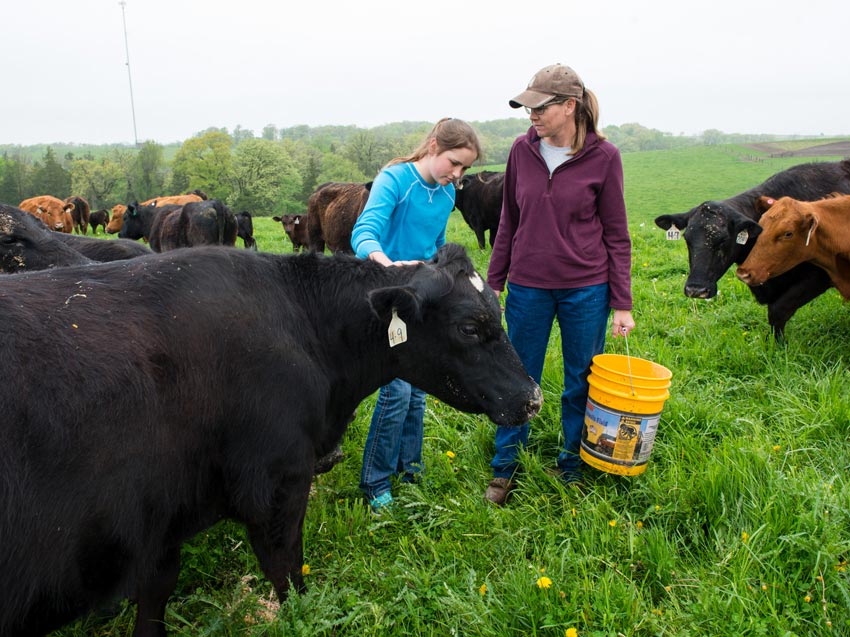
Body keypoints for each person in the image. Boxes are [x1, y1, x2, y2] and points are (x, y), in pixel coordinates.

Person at [484, 63, 636, 505]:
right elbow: (508, 221)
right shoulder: (520, 151)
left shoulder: (604, 157)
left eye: (539, 107)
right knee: (517, 376)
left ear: (570, 106)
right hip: (528, 287)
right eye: (526, 106)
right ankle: (505, 467)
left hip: (586, 289)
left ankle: (572, 464)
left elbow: (617, 233)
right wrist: (495, 283)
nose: (530, 115)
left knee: (580, 380)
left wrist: (621, 302)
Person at [351, 117, 481, 511]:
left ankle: (411, 469)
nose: (457, 175)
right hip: (388, 298)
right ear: (434, 145)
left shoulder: (444, 196)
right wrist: (388, 265)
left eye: (464, 169)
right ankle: (375, 483)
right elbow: (364, 233)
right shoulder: (395, 180)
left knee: (419, 390)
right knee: (397, 391)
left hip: (422, 303)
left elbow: (436, 246)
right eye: (454, 163)